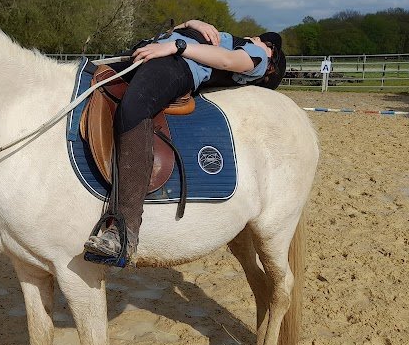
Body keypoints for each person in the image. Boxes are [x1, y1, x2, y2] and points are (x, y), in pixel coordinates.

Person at [83, 19, 286, 264]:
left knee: (135, 107)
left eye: (267, 45)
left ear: (270, 60)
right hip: (151, 51)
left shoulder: (256, 57)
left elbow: (226, 61)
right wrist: (190, 23)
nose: (258, 40)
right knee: (85, 75)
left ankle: (124, 230)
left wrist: (177, 46)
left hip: (176, 64)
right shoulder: (229, 40)